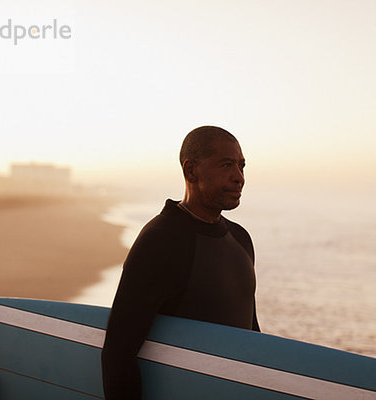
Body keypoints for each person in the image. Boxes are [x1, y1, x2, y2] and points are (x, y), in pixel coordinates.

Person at [101, 126, 260, 399]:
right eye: (226, 165)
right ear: (191, 171)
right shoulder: (161, 241)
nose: (239, 177)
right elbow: (118, 354)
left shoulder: (240, 238)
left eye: (241, 166)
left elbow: (251, 334)